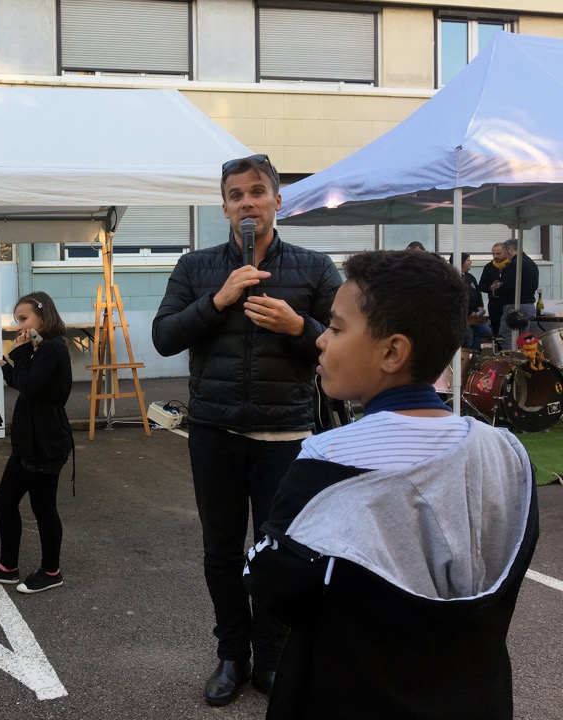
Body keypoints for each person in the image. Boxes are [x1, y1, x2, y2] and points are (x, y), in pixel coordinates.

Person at [243, 250, 539, 720]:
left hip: (354, 692)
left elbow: (276, 587)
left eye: (336, 328)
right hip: (476, 692)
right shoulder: (505, 451)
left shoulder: (329, 459)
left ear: (392, 352)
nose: (322, 342)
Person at [151, 154, 342, 707]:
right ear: (226, 207)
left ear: (278, 201)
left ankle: (275, 655)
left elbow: (341, 344)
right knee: (221, 551)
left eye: (257, 192)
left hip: (285, 436)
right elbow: (164, 337)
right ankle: (232, 654)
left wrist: (298, 326)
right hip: (214, 433)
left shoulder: (313, 267)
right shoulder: (197, 267)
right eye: (236, 195)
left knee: (279, 550)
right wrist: (217, 300)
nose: (247, 204)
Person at [0, 292, 74, 594]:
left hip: (45, 443)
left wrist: (22, 353)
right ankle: (7, 567)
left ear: (43, 315)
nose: (20, 327)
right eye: (18, 321)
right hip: (30, 442)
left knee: (43, 509)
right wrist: (7, 367)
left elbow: (29, 385)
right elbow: (27, 383)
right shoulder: (43, 349)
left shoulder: (53, 348)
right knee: (5, 499)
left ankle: (51, 571)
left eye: (24, 319)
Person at [495, 238, 539, 341]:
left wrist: (496, 290)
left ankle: (510, 357)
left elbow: (507, 286)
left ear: (510, 249)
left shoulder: (513, 265)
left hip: (514, 305)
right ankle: (524, 356)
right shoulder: (531, 264)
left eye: (505, 251)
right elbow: (535, 285)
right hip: (529, 305)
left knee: (507, 336)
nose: (505, 255)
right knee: (524, 338)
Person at [459, 252, 493, 350]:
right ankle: (466, 358)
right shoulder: (455, 277)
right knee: (467, 338)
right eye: (468, 260)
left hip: (476, 314)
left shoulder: (470, 277)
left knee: (486, 332)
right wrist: (469, 312)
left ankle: (474, 352)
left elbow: (478, 293)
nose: (471, 262)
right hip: (463, 315)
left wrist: (480, 306)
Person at [478, 242, 508, 335]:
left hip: (508, 303)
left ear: (506, 252)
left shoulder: (511, 265)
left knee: (508, 330)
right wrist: (490, 287)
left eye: (498, 254)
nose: (495, 256)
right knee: (496, 330)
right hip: (494, 303)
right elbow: (481, 286)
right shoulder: (489, 267)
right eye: (493, 254)